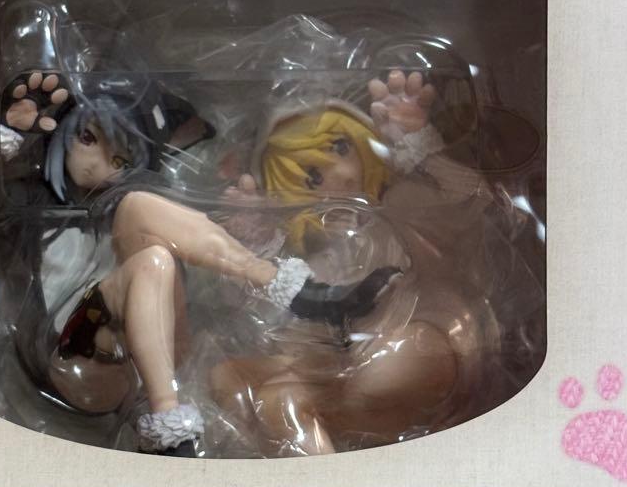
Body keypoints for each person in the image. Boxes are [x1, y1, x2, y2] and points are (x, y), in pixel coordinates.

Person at [0, 69, 396, 455]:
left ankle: (169, 426)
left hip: (146, 365)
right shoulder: (34, 204)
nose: (98, 165)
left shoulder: (130, 221)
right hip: (73, 360)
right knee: (144, 235)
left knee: (149, 243)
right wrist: (0, 136)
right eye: (87, 139)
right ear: (63, 133)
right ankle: (302, 296)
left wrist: (255, 234)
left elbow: (207, 298)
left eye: (121, 160)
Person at [210, 69, 501, 455]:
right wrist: (256, 245)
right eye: (312, 177)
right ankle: (308, 468)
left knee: (365, 377)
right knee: (231, 378)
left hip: (427, 337)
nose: (341, 174)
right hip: (344, 359)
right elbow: (273, 316)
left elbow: (475, 206)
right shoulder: (316, 257)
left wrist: (419, 148)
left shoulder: (399, 205)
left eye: (341, 148)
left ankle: (325, 439)